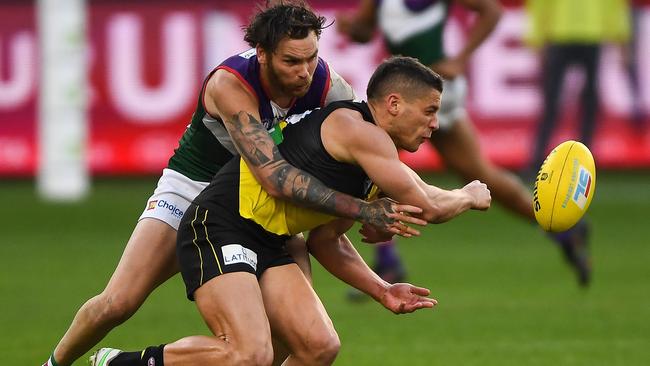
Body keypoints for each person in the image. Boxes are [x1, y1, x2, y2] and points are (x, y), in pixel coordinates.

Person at [41, 4, 425, 366]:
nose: (305, 72)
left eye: (311, 58)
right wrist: (363, 209)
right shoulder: (231, 85)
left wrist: (381, 198)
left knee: (296, 339)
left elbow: (371, 144)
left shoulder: (326, 85)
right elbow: (274, 176)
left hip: (259, 207)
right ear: (262, 54)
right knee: (120, 301)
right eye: (292, 61)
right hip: (197, 189)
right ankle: (56, 363)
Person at [89, 55, 492, 366]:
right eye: (429, 110)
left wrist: (382, 290)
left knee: (318, 347)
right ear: (393, 104)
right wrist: (471, 193)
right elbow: (430, 205)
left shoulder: (369, 165)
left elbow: (327, 240)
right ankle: (124, 362)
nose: (435, 123)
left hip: (271, 240)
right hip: (221, 224)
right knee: (251, 354)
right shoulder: (358, 131)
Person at [336, 0, 592, 287]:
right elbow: (365, 31)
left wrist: (461, 59)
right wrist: (351, 27)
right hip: (410, 98)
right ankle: (561, 229)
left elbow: (492, 11)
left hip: (423, 98)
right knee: (479, 174)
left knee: (376, 169)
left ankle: (387, 262)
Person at [525, 0, 631, 171]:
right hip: (573, 34)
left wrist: (537, 38)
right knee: (555, 103)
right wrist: (621, 38)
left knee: (585, 103)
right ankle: (540, 160)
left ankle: (583, 161)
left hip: (575, 34)